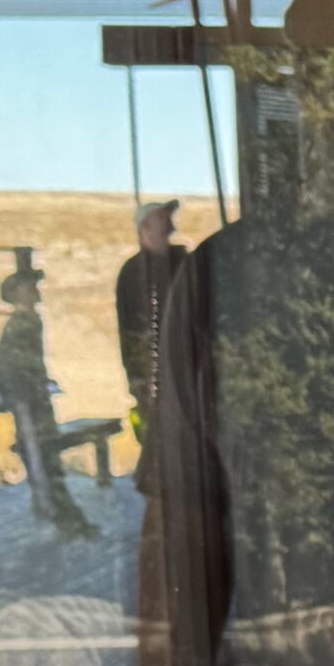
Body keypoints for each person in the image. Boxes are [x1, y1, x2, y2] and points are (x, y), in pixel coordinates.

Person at [0, 251, 95, 541]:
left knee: (47, 459)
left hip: (35, 402)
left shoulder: (30, 322)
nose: (35, 292)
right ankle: (61, 521)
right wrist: (24, 401)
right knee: (42, 460)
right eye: (29, 287)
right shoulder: (20, 325)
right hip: (28, 406)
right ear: (16, 294)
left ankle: (63, 518)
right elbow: (10, 369)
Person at [114, 199, 188, 483]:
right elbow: (130, 332)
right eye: (162, 218)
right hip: (153, 377)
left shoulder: (182, 264)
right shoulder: (133, 274)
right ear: (145, 228)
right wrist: (139, 378)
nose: (170, 222)